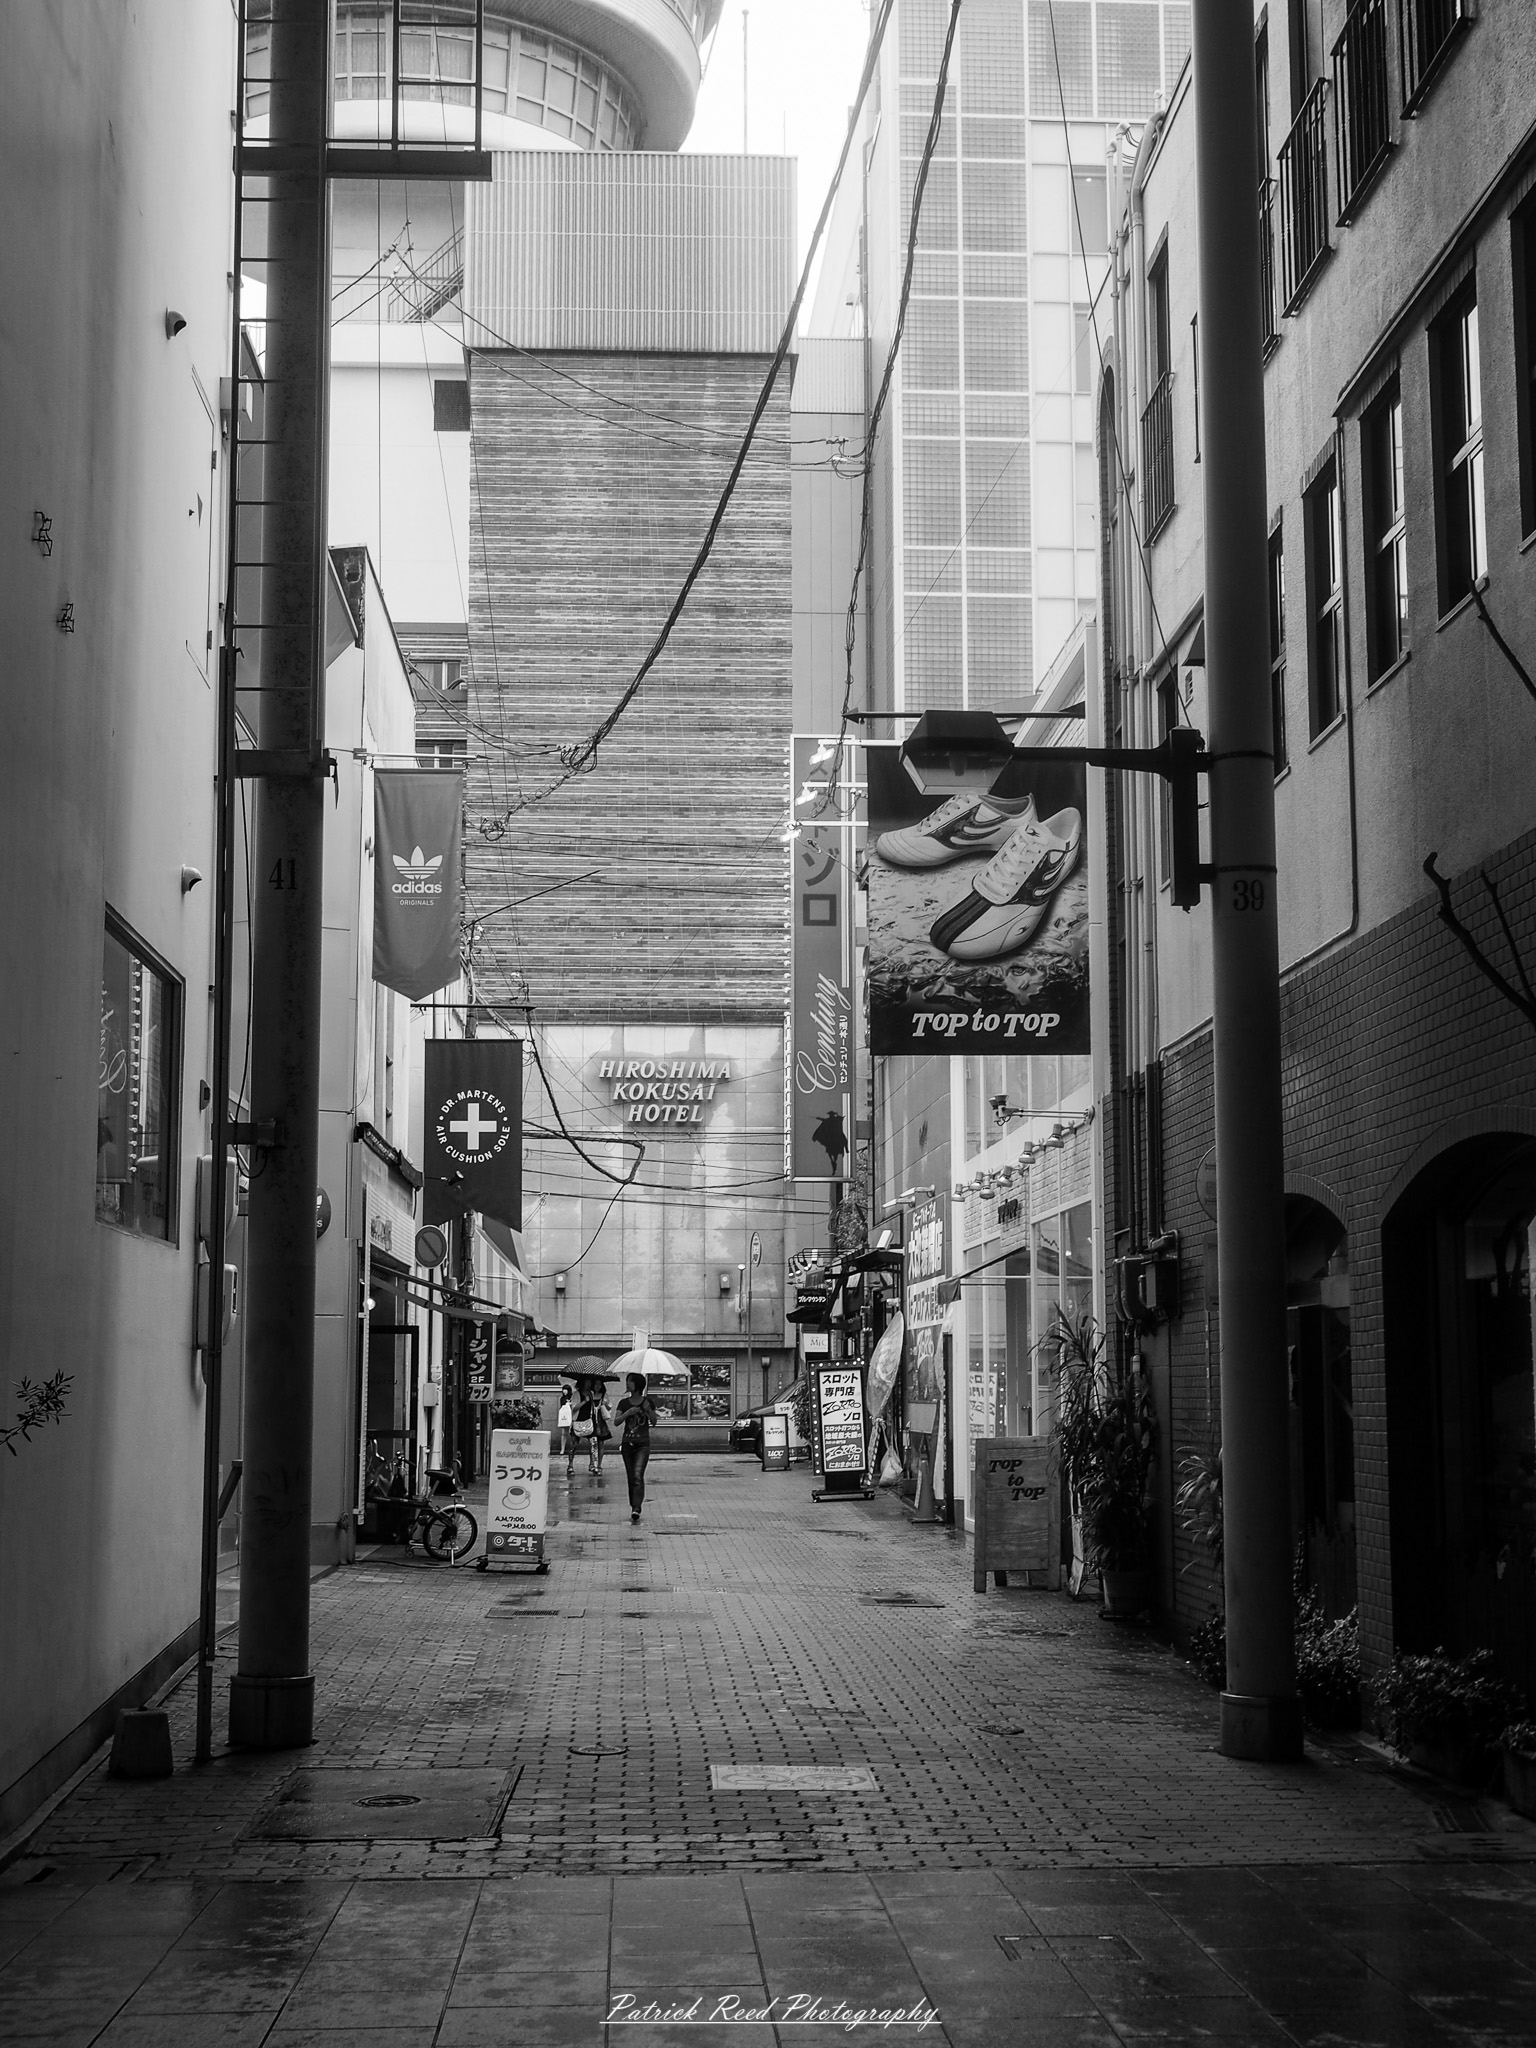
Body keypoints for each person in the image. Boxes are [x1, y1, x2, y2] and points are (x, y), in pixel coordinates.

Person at [615, 1371, 659, 1524]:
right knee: (631, 1477)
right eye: (627, 1381)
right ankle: (633, 1505)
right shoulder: (624, 1403)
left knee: (638, 1475)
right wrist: (628, 1413)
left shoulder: (647, 1401)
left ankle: (637, 1508)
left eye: (631, 1381)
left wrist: (647, 1409)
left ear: (638, 1385)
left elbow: (654, 1422)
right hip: (628, 1443)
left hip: (643, 1444)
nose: (628, 1384)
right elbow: (616, 1421)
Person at [575, 1380, 612, 1477]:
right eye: (595, 1384)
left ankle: (599, 1465)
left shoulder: (604, 1394)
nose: (597, 1386)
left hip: (600, 1421)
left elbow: (609, 1407)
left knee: (600, 1443)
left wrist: (605, 1404)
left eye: (600, 1384)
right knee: (592, 1443)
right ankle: (592, 1463)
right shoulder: (590, 1394)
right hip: (591, 1421)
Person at [556, 1383, 575, 1473]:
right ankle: (562, 1449)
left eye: (566, 1389)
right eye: (563, 1389)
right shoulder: (562, 1399)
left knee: (571, 1433)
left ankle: (572, 1448)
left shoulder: (573, 1397)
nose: (564, 1391)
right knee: (564, 1433)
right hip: (564, 1418)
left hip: (571, 1417)